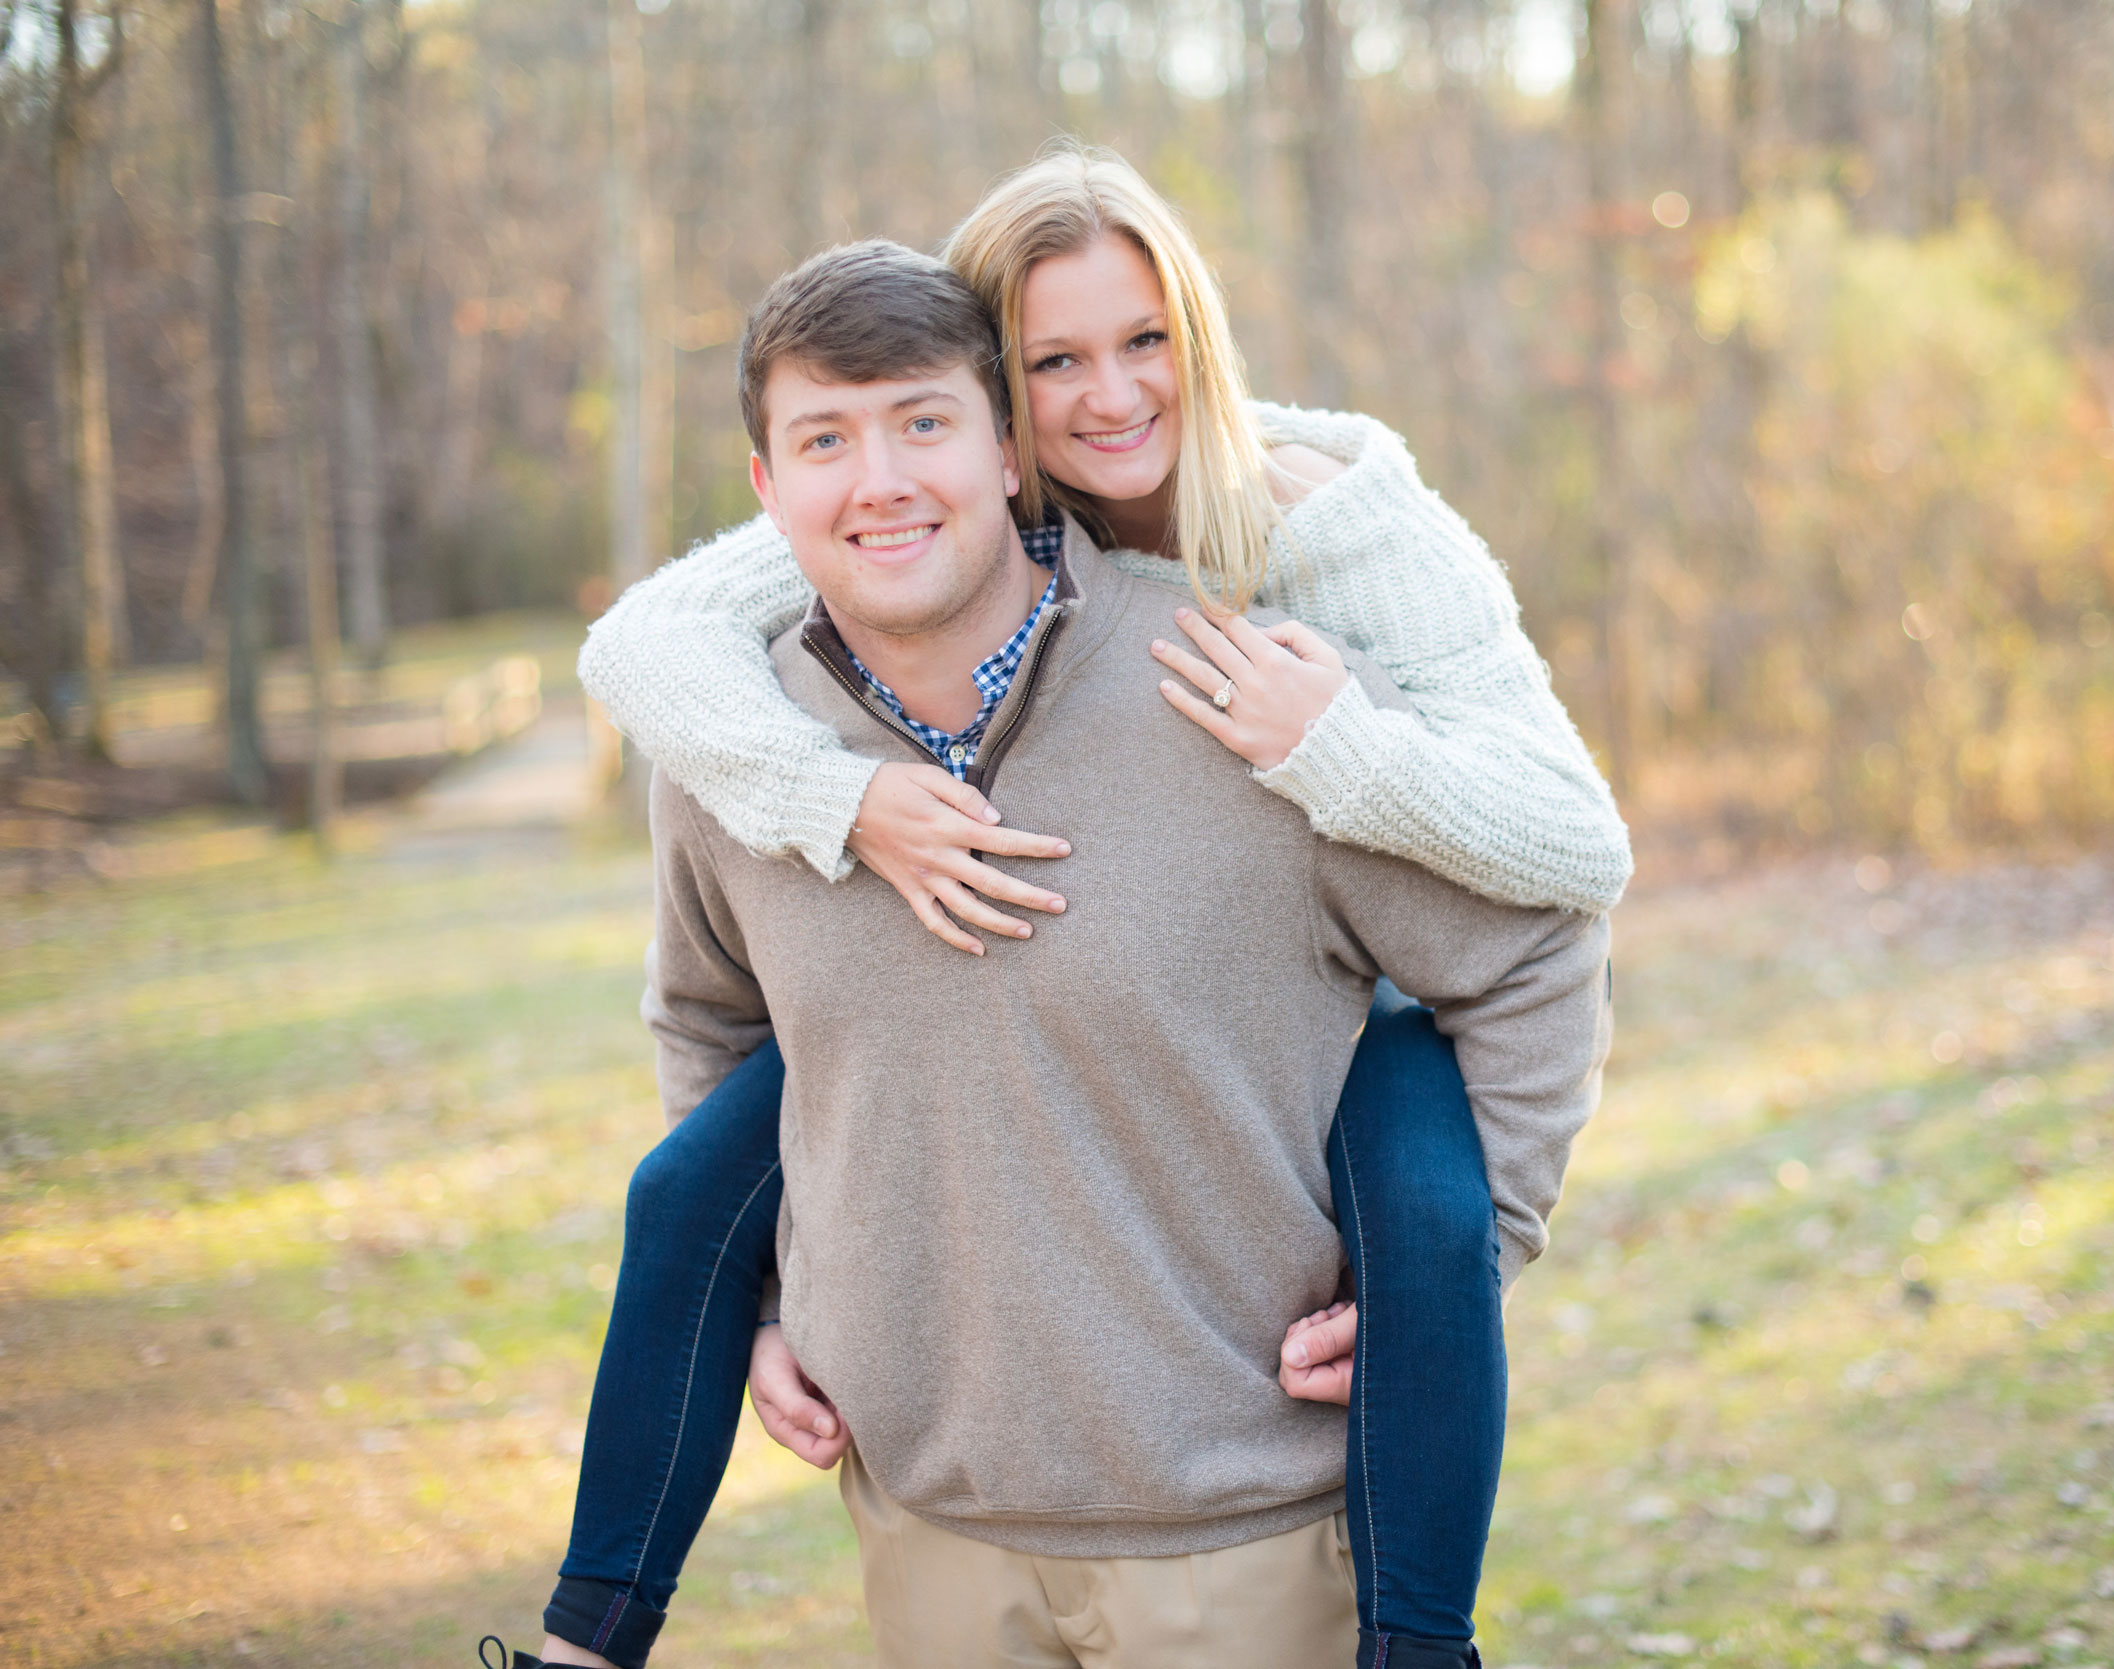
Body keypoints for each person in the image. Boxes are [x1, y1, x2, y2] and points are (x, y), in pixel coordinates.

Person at [525, 148, 1628, 1669]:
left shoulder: (1311, 570)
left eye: (1144, 343)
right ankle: (591, 1629)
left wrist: (1343, 754)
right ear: (1003, 396)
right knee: (695, 1186)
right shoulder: (772, 675)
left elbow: (1564, 869)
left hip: (1256, 1433)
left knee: (1423, 1194)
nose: (1110, 397)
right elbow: (700, 951)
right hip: (936, 1523)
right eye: (1056, 360)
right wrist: (837, 799)